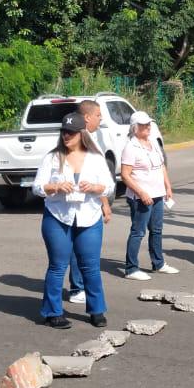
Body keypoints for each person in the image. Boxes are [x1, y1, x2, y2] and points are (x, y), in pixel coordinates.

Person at [33, 112, 114, 329]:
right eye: (63, 132)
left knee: (91, 266)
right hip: (58, 217)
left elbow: (110, 186)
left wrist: (96, 188)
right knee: (58, 265)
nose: (66, 136)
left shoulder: (96, 158)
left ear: (81, 134)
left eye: (70, 132)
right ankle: (53, 312)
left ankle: (97, 310)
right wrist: (55, 187)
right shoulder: (52, 157)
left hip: (89, 216)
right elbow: (37, 187)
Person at [62, 100, 114, 305]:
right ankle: (77, 287)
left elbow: (98, 179)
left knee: (87, 251)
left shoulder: (92, 139)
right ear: (87, 117)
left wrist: (104, 203)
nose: (100, 119)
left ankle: (84, 288)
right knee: (76, 248)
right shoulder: (75, 142)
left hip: (89, 204)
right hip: (72, 207)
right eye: (98, 115)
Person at [120, 110, 178, 281]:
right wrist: (141, 192)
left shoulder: (152, 142)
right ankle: (131, 268)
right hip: (140, 197)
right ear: (135, 128)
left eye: (149, 124)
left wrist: (167, 186)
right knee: (138, 232)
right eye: (144, 125)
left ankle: (158, 263)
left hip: (158, 194)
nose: (148, 127)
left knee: (157, 230)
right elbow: (125, 175)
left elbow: (161, 166)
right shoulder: (130, 147)